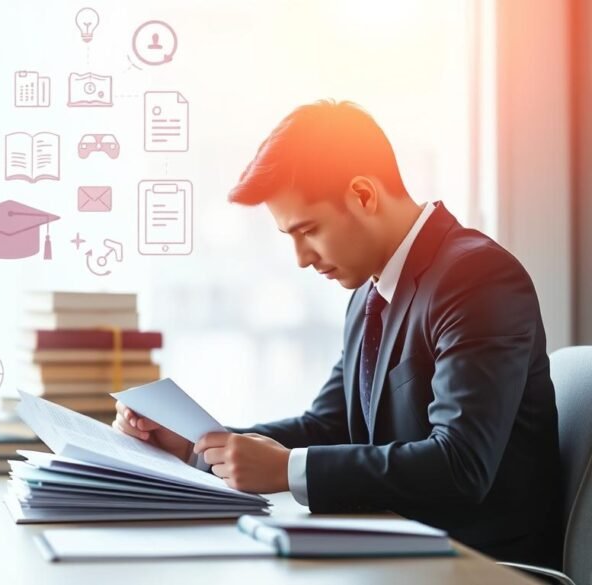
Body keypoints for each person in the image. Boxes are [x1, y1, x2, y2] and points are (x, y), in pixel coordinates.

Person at [113, 100, 563, 568]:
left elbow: (460, 465)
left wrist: (287, 469)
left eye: (308, 230)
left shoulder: (475, 277)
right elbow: (330, 426)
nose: (301, 258)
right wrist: (197, 445)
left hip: (480, 565)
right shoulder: (369, 295)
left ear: (363, 195)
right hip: (396, 549)